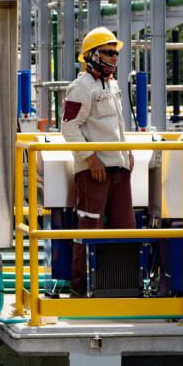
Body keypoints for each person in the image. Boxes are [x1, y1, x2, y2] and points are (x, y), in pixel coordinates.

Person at [61, 27, 135, 296]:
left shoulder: (112, 84)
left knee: (125, 228)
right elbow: (69, 127)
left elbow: (117, 123)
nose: (113, 58)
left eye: (115, 53)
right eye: (107, 52)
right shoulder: (80, 87)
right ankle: (81, 287)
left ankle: (122, 286)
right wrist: (90, 158)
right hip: (94, 171)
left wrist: (127, 153)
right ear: (91, 55)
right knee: (90, 225)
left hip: (118, 167)